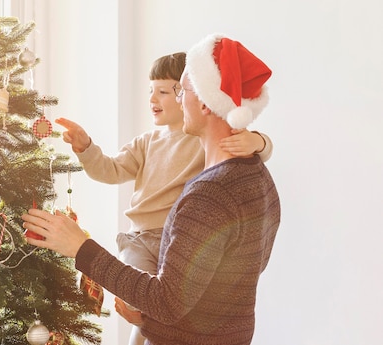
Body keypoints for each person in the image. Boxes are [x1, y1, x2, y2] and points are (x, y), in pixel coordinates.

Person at [22, 33, 281, 345]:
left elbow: (167, 301)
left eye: (181, 91)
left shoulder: (210, 195)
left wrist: (80, 248)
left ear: (205, 102)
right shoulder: (257, 178)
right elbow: (213, 285)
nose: (177, 99)